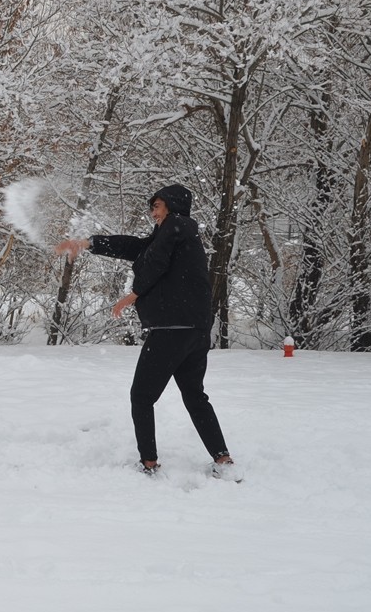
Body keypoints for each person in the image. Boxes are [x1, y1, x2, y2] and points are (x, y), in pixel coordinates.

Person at [55, 184, 237, 480]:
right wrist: (88, 243)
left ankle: (149, 463)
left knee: (141, 396)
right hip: (195, 331)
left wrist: (133, 294)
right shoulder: (179, 233)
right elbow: (136, 248)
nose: (153, 213)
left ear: (172, 205)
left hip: (170, 330)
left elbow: (155, 261)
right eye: (152, 207)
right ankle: (223, 459)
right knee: (195, 396)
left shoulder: (176, 225)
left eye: (157, 206)